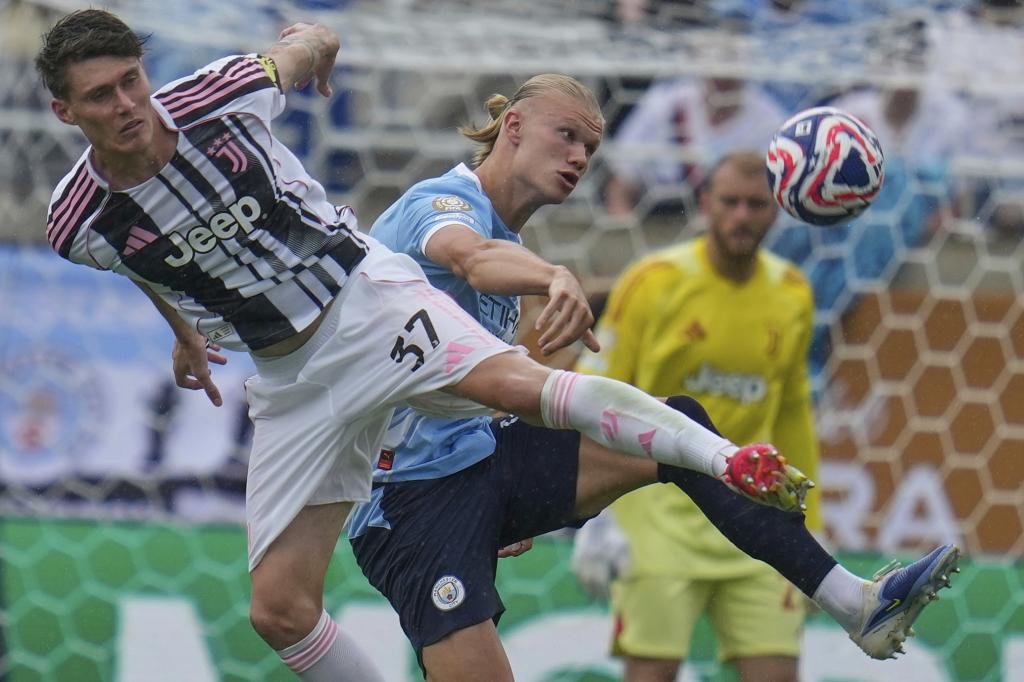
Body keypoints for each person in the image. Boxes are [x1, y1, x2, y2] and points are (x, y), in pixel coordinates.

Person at [37, 10, 813, 681]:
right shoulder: (74, 223)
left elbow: (308, 43)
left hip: (362, 305)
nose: (130, 103)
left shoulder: (221, 97)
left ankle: (723, 458)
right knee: (279, 610)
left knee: (519, 386)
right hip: (288, 378)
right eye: (102, 95)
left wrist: (317, 42)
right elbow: (136, 255)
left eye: (133, 79)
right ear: (66, 111)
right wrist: (182, 332)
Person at [346, 77, 959, 681]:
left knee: (680, 425)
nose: (580, 157)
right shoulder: (441, 204)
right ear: (513, 128)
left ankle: (856, 602)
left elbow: (452, 382)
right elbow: (471, 258)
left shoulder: (788, 293)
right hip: (405, 500)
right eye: (565, 136)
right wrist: (553, 275)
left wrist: (504, 498)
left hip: (477, 467)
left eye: (589, 146)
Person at [575, 149, 822, 681]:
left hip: (756, 514)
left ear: (776, 209)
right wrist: (591, 512)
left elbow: (793, 413)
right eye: (729, 202)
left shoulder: (793, 293)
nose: (741, 216)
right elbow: (593, 396)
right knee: (651, 673)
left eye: (756, 204)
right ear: (706, 203)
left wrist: (812, 526)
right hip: (657, 515)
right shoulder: (653, 282)